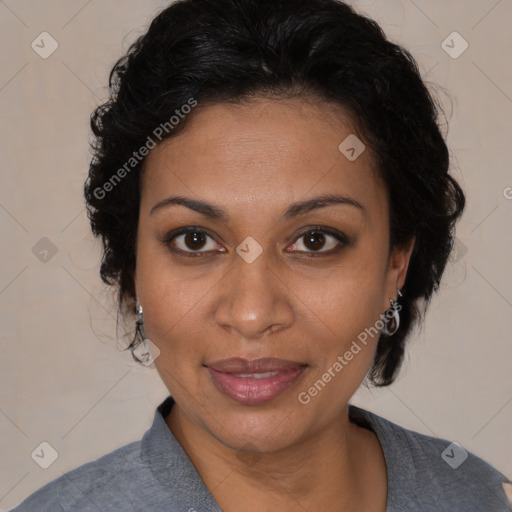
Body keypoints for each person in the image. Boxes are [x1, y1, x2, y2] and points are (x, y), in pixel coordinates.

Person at [10, 0, 512, 510]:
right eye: (195, 240)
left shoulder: (484, 497)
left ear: (395, 264)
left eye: (315, 240)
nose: (252, 314)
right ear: (133, 269)